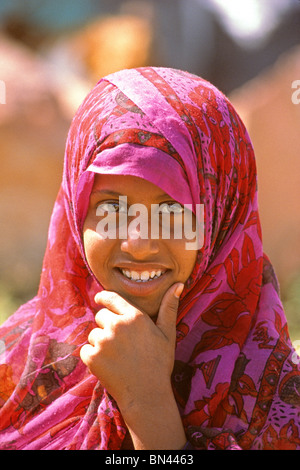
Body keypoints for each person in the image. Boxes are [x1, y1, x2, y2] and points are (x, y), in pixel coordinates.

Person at [0, 67, 299, 450]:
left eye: (172, 212)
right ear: (75, 213)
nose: (139, 244)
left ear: (222, 215)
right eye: (112, 209)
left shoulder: (273, 401)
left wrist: (148, 403)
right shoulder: (19, 365)